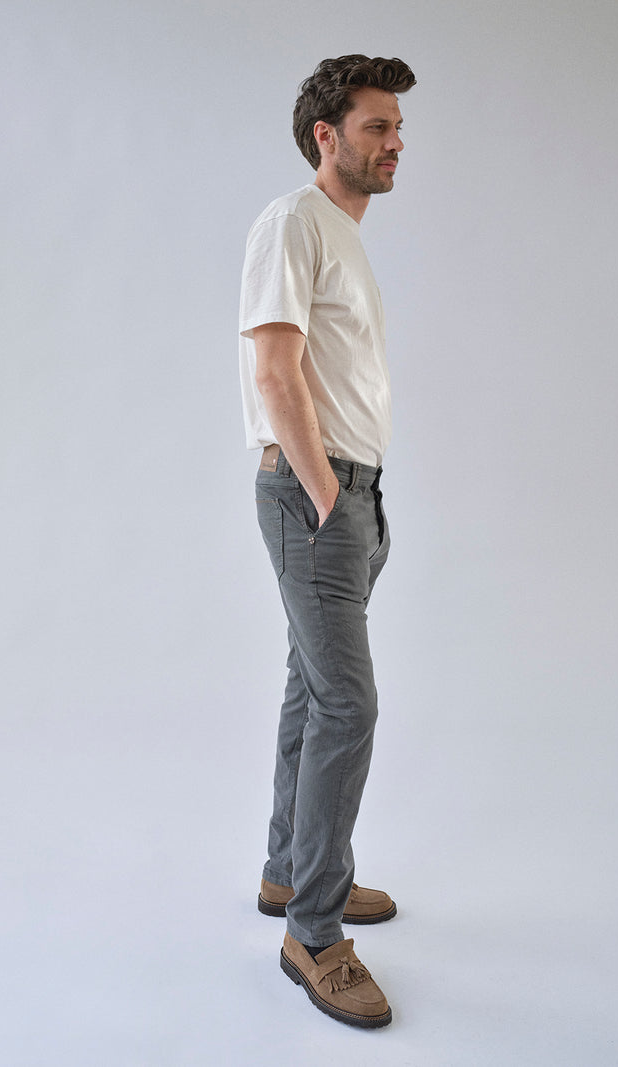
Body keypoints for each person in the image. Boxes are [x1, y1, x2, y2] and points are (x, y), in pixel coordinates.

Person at [238, 54, 416, 1029]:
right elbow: (275, 370)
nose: (395, 143)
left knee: (313, 689)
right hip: (316, 495)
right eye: (376, 126)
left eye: (395, 129)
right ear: (325, 135)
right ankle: (311, 932)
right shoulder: (293, 222)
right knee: (348, 702)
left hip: (351, 493)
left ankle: (291, 870)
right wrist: (321, 496)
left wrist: (352, 497)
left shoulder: (342, 239)